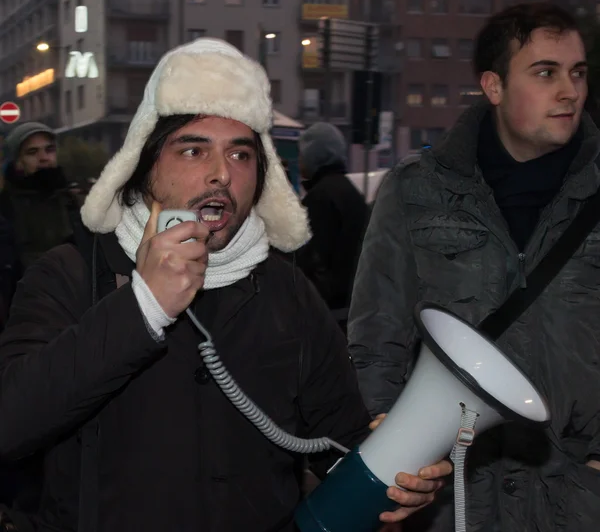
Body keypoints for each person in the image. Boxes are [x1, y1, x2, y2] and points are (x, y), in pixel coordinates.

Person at [0, 38, 451, 532]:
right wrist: (142, 307)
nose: (221, 174)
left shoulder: (287, 291)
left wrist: (392, 474)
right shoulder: (67, 275)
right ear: (145, 163)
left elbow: (336, 441)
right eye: (193, 150)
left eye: (240, 155)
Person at [348, 2, 600, 532]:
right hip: (451, 499)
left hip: (577, 501)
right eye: (545, 72)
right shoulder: (416, 191)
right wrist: (396, 450)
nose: (570, 91)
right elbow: (376, 340)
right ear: (493, 85)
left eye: (578, 72)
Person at [295, 122, 369, 331]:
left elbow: (311, 259)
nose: (299, 161)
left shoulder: (321, 198)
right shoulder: (350, 192)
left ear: (314, 155)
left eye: (302, 154)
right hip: (350, 309)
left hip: (327, 314)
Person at [0, 122, 80, 273]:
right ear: (18, 162)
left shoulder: (72, 201)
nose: (43, 158)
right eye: (32, 152)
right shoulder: (6, 206)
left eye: (49, 150)